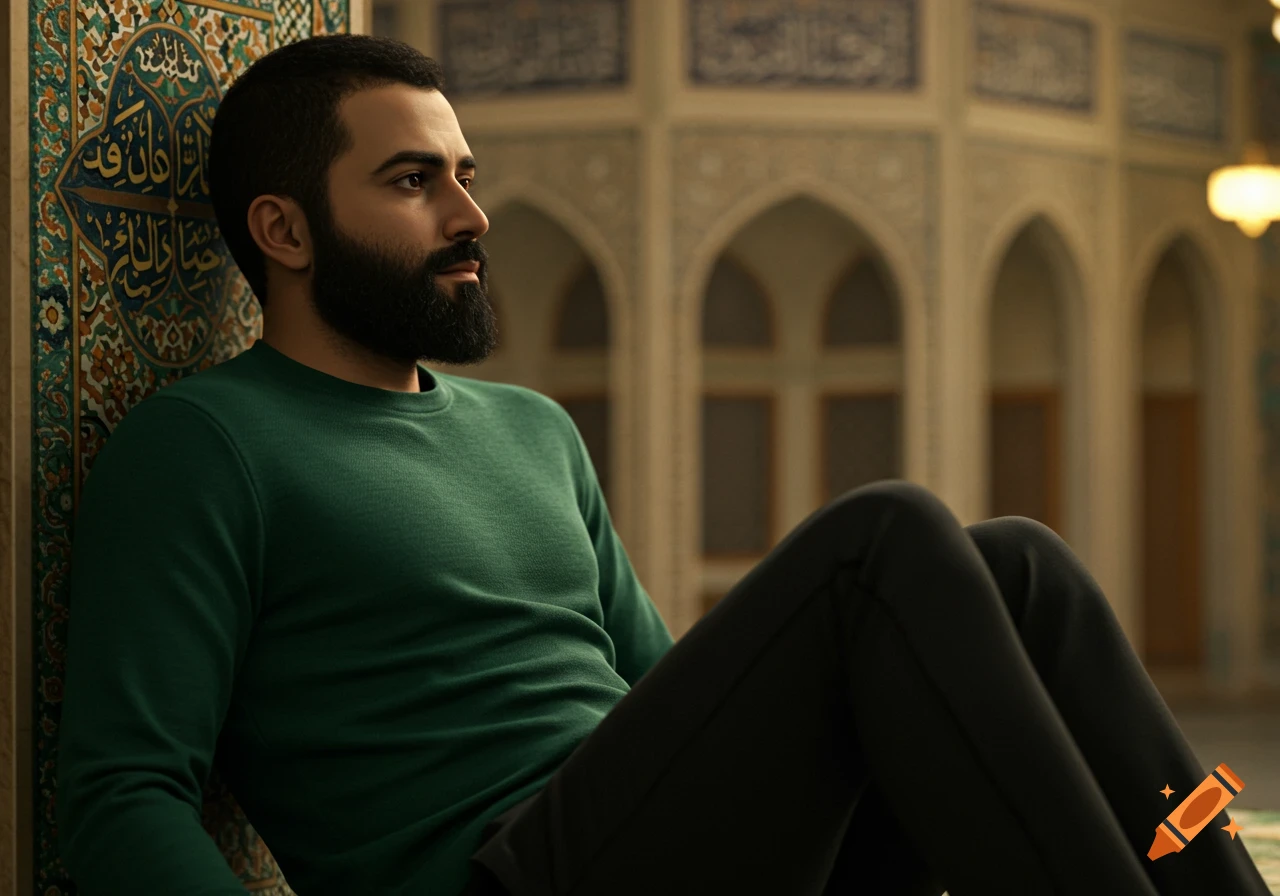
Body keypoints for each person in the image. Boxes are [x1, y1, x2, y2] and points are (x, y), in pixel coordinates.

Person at [54, 33, 1271, 896]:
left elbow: (659, 697)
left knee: (1018, 564)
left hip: (659, 842)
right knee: (884, 536)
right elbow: (121, 793)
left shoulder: (528, 428)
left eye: (465, 175)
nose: (469, 214)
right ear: (283, 229)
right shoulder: (207, 444)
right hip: (504, 870)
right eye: (411, 182)